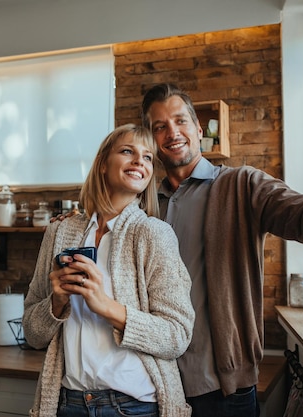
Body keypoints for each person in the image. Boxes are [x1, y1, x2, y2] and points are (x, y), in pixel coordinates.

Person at [140, 83, 303, 417]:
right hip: (150, 387)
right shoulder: (142, 205)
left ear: (198, 129)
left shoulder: (241, 185)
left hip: (221, 391)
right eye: (159, 127)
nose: (172, 132)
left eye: (180, 121)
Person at [23, 123, 195, 417]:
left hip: (134, 406)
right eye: (127, 151)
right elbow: (32, 332)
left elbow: (177, 335)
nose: (139, 161)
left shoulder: (155, 235)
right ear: (103, 164)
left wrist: (106, 307)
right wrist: (56, 303)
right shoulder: (60, 233)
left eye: (148, 157)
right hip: (68, 404)